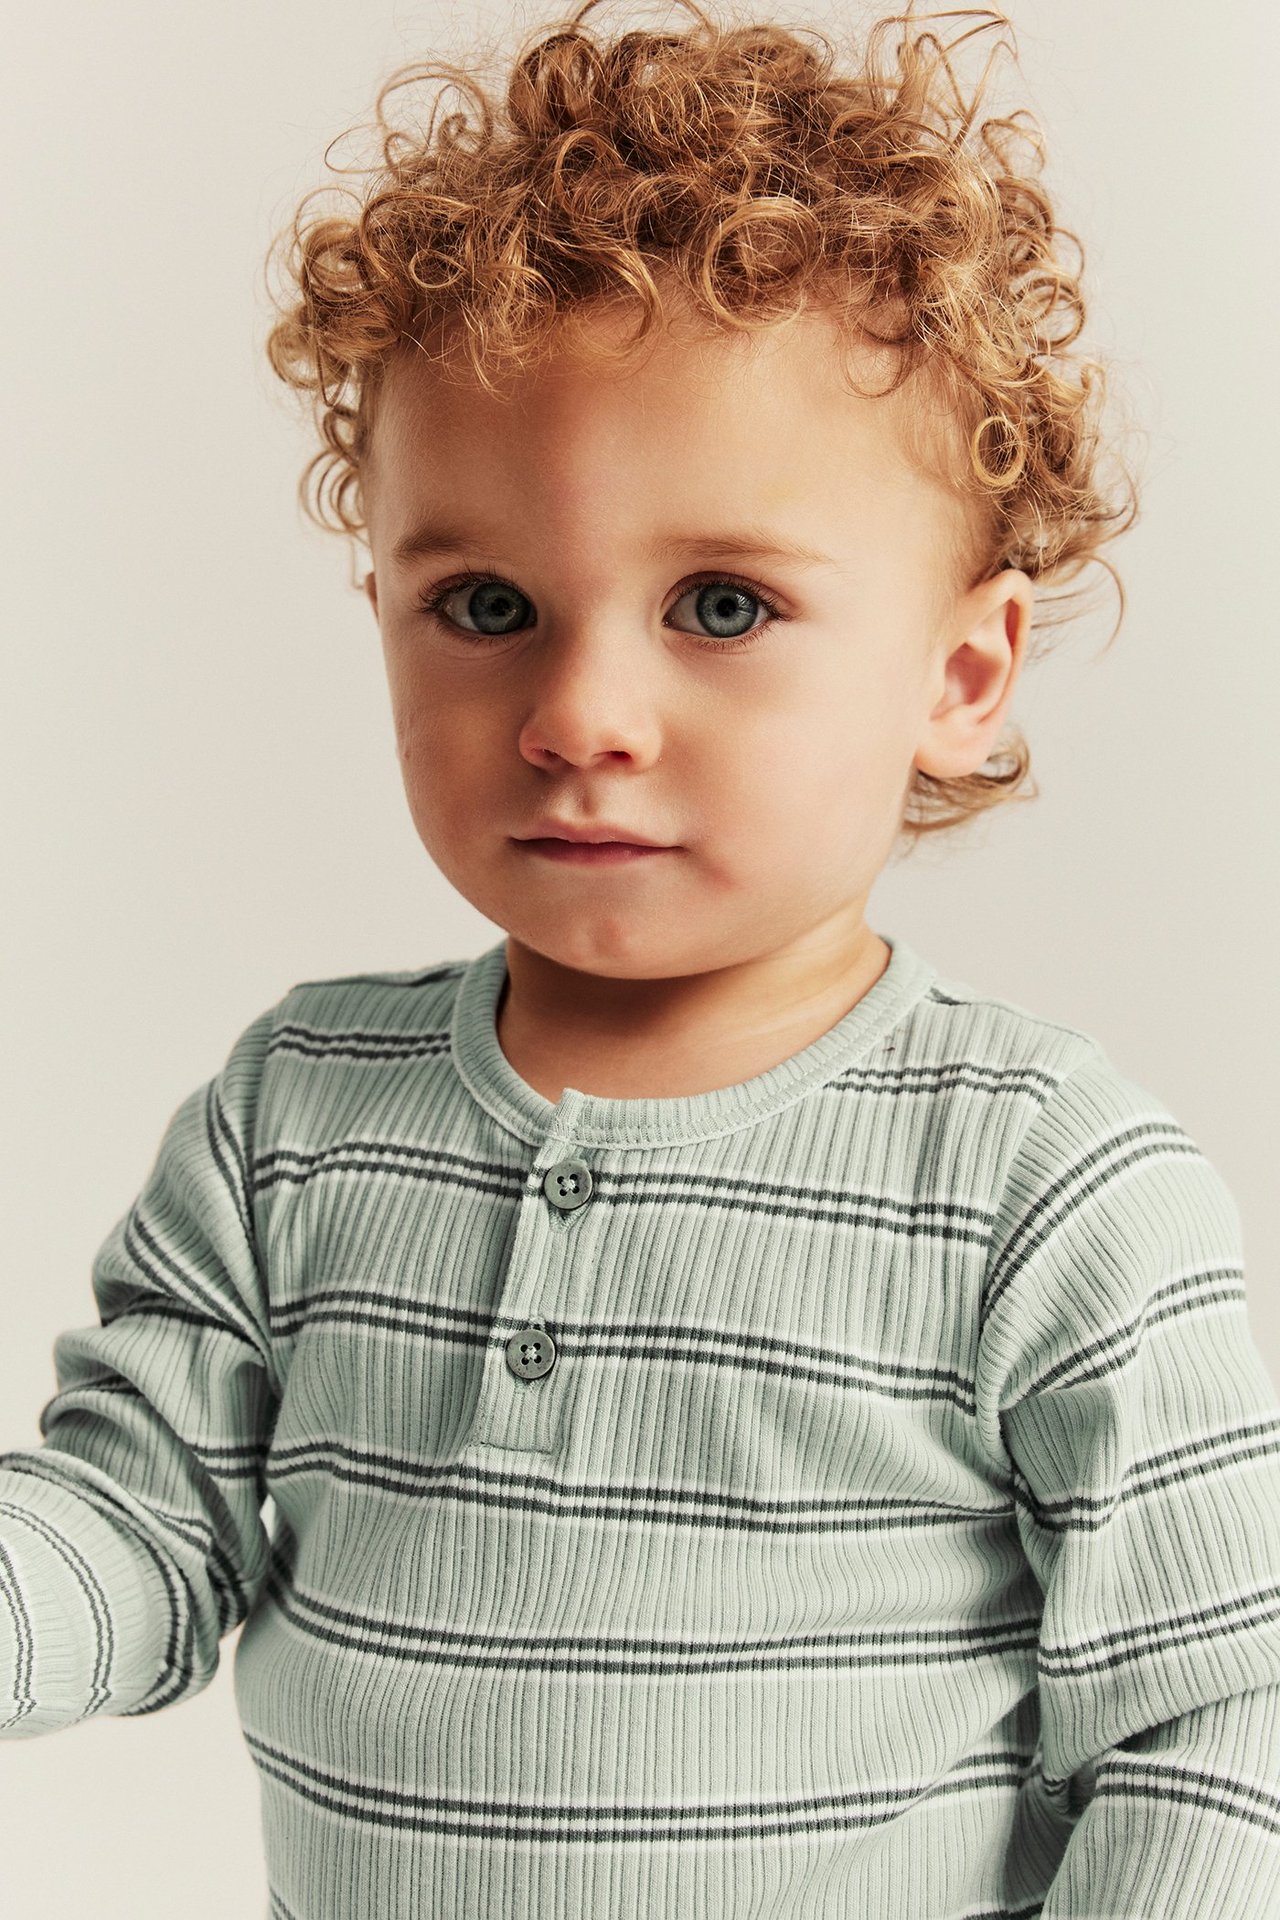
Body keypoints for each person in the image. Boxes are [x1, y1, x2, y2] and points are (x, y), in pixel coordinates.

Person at [4, 1, 1279, 1913]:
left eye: (723, 605)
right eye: (488, 604)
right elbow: (135, 1527)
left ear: (960, 669)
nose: (582, 709)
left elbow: (1213, 1727)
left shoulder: (1043, 1184)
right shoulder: (298, 1121)